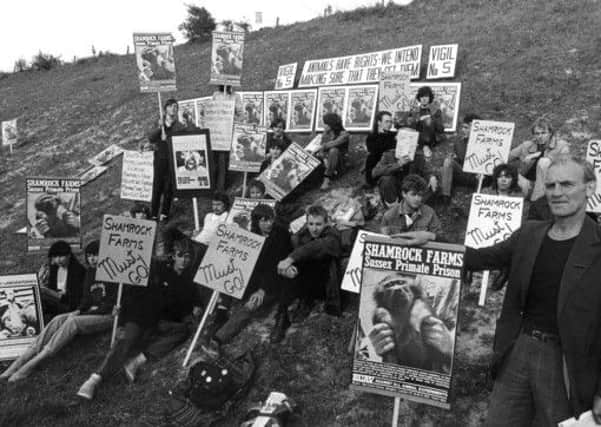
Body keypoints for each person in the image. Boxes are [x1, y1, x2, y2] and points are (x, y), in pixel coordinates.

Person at [396, 155, 601, 425]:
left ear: (589, 187)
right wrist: (434, 239)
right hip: (518, 347)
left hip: (567, 361)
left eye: (566, 184)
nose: (557, 193)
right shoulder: (530, 233)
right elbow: (483, 257)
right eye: (550, 186)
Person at [77, 233, 202, 400]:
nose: (184, 261)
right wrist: (121, 314)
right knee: (127, 339)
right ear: (173, 256)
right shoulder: (159, 268)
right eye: (180, 256)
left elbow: (193, 301)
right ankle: (96, 378)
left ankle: (137, 361)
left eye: (188, 257)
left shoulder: (188, 280)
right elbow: (133, 281)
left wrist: (196, 308)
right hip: (141, 315)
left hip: (162, 321)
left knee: (181, 332)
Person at [1, 241, 117, 382]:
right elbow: (86, 299)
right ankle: (22, 359)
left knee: (73, 321)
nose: (92, 259)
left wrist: (83, 313)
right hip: (91, 311)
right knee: (58, 319)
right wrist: (80, 310)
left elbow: (108, 305)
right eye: (89, 255)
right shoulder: (91, 272)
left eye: (96, 255)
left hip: (108, 316)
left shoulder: (112, 274)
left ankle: (34, 362)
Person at [206, 205, 293, 350]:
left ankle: (219, 338)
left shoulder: (281, 235)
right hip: (254, 278)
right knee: (227, 277)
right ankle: (220, 314)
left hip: (274, 281)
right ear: (256, 222)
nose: (268, 224)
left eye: (270, 219)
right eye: (264, 221)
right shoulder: (253, 236)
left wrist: (263, 290)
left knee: (251, 304)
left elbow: (275, 267)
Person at [367, 274, 454, 373]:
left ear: (412, 290)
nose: (397, 288)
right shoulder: (380, 315)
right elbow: (388, 356)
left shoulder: (423, 308)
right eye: (389, 285)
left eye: (400, 282)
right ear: (381, 296)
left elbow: (439, 353)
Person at [277, 204, 343, 317]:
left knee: (327, 260)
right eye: (311, 224)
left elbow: (317, 246)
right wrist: (293, 268)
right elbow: (298, 244)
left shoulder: (333, 234)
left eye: (318, 224)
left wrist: (290, 259)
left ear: (326, 223)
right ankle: (288, 311)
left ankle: (332, 305)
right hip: (310, 279)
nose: (314, 228)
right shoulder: (304, 233)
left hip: (329, 282)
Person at [509, 116, 569, 201]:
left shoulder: (561, 146)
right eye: (537, 133)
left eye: (543, 133)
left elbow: (565, 166)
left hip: (551, 188)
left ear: (550, 133)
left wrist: (546, 157)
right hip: (529, 185)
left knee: (543, 162)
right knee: (509, 173)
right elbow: (505, 157)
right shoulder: (527, 145)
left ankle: (537, 202)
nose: (540, 136)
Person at [146, 98, 187, 221]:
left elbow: (182, 142)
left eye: (176, 107)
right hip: (159, 158)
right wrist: (160, 128)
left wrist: (168, 137)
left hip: (172, 159)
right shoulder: (159, 122)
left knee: (169, 187)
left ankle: (164, 213)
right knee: (157, 186)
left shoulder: (179, 125)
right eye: (171, 106)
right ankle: (154, 213)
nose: (174, 108)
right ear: (165, 109)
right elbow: (151, 138)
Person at [380, 174, 443, 240]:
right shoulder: (389, 216)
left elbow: (439, 240)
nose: (417, 199)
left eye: (420, 195)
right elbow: (383, 242)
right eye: (413, 194)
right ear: (404, 194)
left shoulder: (429, 213)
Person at [38, 241, 86, 319]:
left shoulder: (78, 271)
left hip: (69, 304)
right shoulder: (54, 269)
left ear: (69, 255)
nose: (58, 260)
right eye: (55, 257)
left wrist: (55, 294)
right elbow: (52, 287)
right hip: (56, 301)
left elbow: (76, 297)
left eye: (61, 256)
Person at [440, 114, 481, 203]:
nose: (463, 130)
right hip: (464, 173)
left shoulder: (486, 142)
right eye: (463, 127)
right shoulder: (459, 142)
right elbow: (458, 159)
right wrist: (454, 158)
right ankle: (445, 196)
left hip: (479, 177)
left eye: (466, 128)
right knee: (448, 161)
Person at [407, 86, 444, 160]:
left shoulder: (436, 111)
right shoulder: (413, 111)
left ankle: (426, 147)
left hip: (431, 138)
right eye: (422, 96)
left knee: (428, 121)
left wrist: (431, 118)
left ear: (430, 98)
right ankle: (423, 147)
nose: (424, 99)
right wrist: (419, 120)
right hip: (416, 138)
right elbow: (410, 127)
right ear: (419, 98)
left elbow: (441, 129)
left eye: (426, 96)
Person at [315, 113, 350, 191]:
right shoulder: (325, 134)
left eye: (325, 124)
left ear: (331, 125)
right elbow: (320, 150)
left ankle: (327, 179)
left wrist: (322, 147)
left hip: (339, 165)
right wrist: (321, 154)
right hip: (327, 162)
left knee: (334, 150)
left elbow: (334, 143)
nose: (324, 126)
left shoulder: (344, 134)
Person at [364, 111, 397, 188]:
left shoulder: (393, 135)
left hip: (391, 166)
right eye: (386, 122)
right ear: (379, 122)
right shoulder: (372, 137)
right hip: (377, 167)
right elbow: (377, 149)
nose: (389, 124)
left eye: (391, 122)